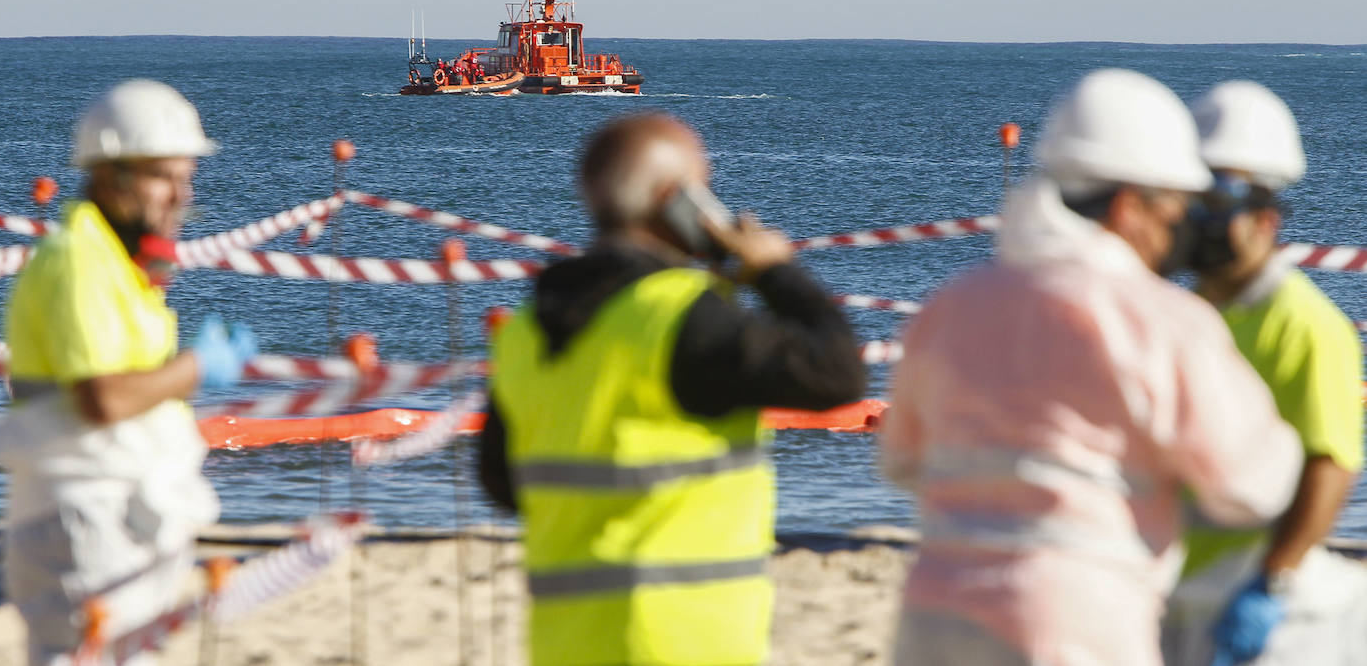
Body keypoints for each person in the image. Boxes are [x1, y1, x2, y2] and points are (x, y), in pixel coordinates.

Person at [880, 69, 1304, 666]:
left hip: (933, 612)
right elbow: (1252, 486)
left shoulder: (953, 304)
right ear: (1130, 207)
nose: (1177, 231)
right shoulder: (1157, 319)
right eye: (1174, 210)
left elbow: (900, 459)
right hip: (1075, 616)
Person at [477, 111, 864, 666]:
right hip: (681, 638)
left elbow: (503, 485)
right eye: (703, 188)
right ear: (672, 197)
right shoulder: (680, 316)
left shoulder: (525, 331)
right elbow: (836, 374)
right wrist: (777, 273)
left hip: (568, 643)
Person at [0, 79, 258, 665]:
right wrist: (196, 367)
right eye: (164, 177)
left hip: (115, 513)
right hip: (80, 516)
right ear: (111, 175)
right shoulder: (77, 260)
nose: (180, 195)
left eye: (186, 179)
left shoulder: (118, 266)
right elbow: (103, 400)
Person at [1162, 81, 1367, 666]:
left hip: (1272, 606)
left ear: (1266, 218)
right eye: (1191, 197)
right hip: (1186, 585)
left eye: (1219, 201)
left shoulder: (1302, 324)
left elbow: (1331, 462)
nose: (1200, 219)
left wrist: (1272, 581)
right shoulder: (1192, 315)